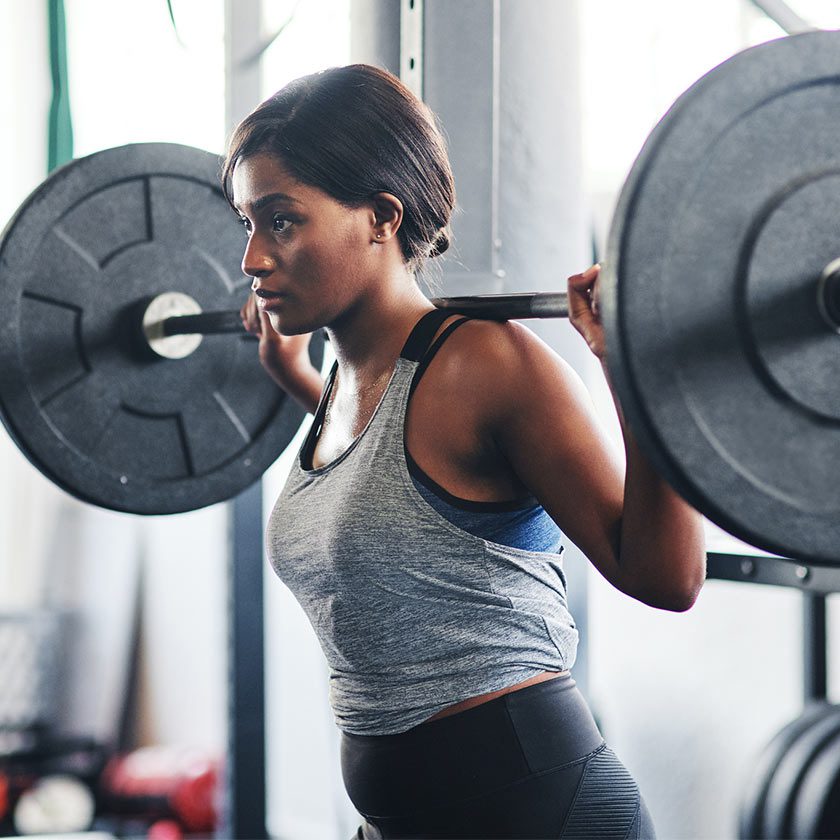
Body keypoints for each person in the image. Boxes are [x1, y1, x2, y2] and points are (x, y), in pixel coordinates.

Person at [228, 63, 706, 840]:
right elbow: (393, 505)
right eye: (246, 224)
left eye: (281, 221)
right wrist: (299, 384)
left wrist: (641, 373)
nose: (252, 258)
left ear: (382, 216)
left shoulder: (487, 365)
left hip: (537, 813)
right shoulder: (347, 383)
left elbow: (667, 575)